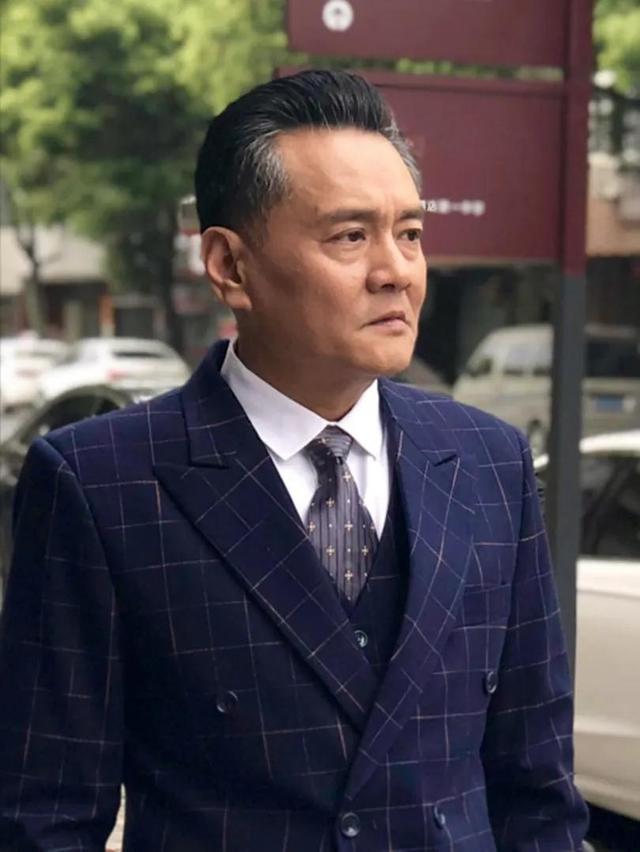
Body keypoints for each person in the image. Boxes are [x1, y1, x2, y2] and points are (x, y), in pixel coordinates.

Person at [0, 70, 588, 851]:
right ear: (230, 265)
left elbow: (537, 791)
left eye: (410, 233)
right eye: (350, 236)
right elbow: (45, 817)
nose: (395, 271)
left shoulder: (490, 462)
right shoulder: (100, 482)